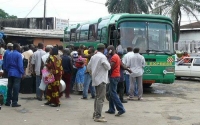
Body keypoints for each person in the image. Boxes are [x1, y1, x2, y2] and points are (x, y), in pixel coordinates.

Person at [87, 43, 110, 122]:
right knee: (100, 98)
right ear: (103, 49)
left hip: (95, 79)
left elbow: (88, 67)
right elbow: (108, 67)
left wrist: (93, 72)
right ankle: (98, 116)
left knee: (97, 97)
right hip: (102, 79)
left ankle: (95, 113)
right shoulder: (102, 57)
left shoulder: (93, 56)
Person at [106, 45, 126, 116]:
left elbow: (110, 66)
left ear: (111, 50)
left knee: (113, 93)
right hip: (115, 76)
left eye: (108, 50)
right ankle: (111, 109)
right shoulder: (117, 56)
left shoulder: (114, 57)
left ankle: (121, 109)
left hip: (114, 76)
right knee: (111, 93)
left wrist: (107, 57)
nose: (108, 51)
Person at [5, 43, 24, 107]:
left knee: (9, 88)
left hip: (10, 73)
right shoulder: (19, 55)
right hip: (17, 73)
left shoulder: (9, 54)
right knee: (16, 88)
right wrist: (22, 73)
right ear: (16, 47)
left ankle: (8, 102)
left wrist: (8, 70)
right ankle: (14, 102)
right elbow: (20, 65)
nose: (20, 48)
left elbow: (6, 64)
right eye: (19, 47)